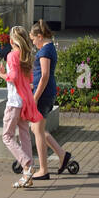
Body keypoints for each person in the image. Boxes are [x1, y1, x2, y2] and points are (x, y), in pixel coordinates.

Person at [0, 25, 40, 188]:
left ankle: (26, 163)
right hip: (25, 100)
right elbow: (29, 79)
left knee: (6, 136)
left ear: (13, 40)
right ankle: (27, 175)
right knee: (24, 135)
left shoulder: (12, 55)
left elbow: (13, 76)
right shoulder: (26, 55)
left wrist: (2, 75)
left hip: (14, 101)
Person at [28, 19, 71, 179]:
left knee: (37, 131)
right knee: (36, 129)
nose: (33, 43)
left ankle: (43, 170)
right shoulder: (49, 48)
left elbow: (45, 75)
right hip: (46, 92)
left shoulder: (45, 51)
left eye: (33, 39)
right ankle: (62, 154)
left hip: (44, 95)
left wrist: (35, 97)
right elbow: (42, 76)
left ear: (40, 36)